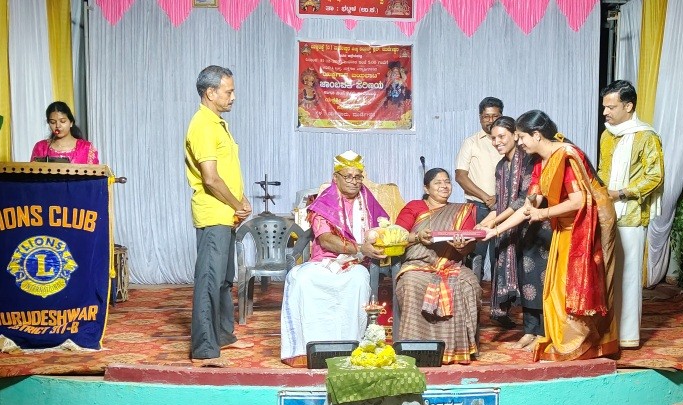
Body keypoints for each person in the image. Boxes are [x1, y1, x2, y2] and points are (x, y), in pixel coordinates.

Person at [485, 110, 619, 361]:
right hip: (562, 225)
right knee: (556, 285)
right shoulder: (539, 160)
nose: (520, 142)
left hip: (586, 224)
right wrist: (495, 230)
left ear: (536, 135)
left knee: (577, 283)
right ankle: (563, 337)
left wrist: (542, 213)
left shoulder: (566, 156)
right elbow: (529, 205)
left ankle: (584, 340)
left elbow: (579, 201)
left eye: (522, 137)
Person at [280, 151, 389, 367]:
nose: (354, 182)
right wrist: (359, 247)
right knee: (301, 279)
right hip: (324, 261)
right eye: (348, 176)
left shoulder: (367, 200)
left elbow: (383, 226)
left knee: (358, 279)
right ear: (335, 177)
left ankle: (353, 347)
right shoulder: (325, 203)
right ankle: (305, 348)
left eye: (358, 177)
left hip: (357, 263)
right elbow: (326, 240)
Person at [184, 65, 253, 367]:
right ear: (210, 93)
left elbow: (226, 170)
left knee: (224, 279)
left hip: (226, 214)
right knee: (209, 279)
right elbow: (210, 178)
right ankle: (203, 349)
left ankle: (224, 335)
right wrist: (236, 202)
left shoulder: (217, 123)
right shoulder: (202, 125)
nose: (233, 97)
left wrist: (242, 197)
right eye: (229, 91)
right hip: (213, 214)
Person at [597, 80, 664, 349]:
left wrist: (622, 192)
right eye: (604, 107)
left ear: (628, 105)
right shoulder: (607, 135)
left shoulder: (647, 136)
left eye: (611, 107)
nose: (605, 113)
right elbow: (603, 172)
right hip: (607, 214)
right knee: (606, 275)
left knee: (628, 278)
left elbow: (655, 178)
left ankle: (627, 337)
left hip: (632, 216)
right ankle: (606, 332)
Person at [476, 116, 550, 349]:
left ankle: (544, 333)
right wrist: (484, 224)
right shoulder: (501, 167)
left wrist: (495, 224)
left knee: (539, 280)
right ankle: (529, 331)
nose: (497, 142)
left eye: (502, 137)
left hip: (536, 227)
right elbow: (501, 201)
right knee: (525, 279)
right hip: (514, 231)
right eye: (493, 138)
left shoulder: (528, 160)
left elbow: (522, 200)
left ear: (514, 136)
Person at [394, 168, 480, 365]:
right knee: (411, 282)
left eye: (447, 182)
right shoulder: (415, 207)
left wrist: (463, 246)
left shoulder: (462, 210)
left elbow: (470, 244)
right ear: (426, 188)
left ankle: (455, 350)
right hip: (418, 264)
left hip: (450, 264)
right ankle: (413, 347)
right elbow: (398, 235)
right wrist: (418, 237)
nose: (444, 186)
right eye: (438, 182)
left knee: (468, 283)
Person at [455, 97, 504, 279]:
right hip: (478, 208)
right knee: (475, 258)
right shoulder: (471, 142)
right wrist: (486, 197)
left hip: (505, 209)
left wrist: (500, 200)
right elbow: (460, 176)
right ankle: (474, 302)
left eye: (495, 116)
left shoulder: (507, 141)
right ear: (480, 117)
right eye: (486, 117)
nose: (490, 121)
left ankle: (498, 305)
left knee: (500, 258)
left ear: (501, 116)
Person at [29, 101, 99, 164]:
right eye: (53, 122)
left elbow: (95, 176)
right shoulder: (41, 147)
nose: (57, 126)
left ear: (71, 122)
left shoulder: (86, 148)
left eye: (62, 121)